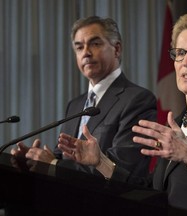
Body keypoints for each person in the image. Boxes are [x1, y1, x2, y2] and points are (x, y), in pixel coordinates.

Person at [57, 11, 187, 215]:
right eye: (180, 53)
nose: (186, 62)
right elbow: (151, 193)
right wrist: (101, 162)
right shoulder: (176, 124)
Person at [10, 16, 157, 179]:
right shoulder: (75, 105)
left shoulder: (138, 100)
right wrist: (33, 161)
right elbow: (63, 156)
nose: (86, 53)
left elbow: (124, 167)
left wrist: (53, 165)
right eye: (79, 47)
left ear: (117, 49)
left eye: (95, 44)